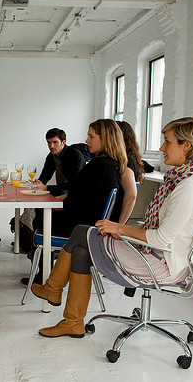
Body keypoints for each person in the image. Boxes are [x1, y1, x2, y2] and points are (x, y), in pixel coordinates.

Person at [31, 117, 193, 338]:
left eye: (167, 141)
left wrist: (120, 229)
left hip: (161, 264)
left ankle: (53, 289)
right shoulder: (186, 179)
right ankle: (72, 320)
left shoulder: (189, 188)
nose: (161, 148)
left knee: (80, 232)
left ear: (187, 146)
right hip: (159, 254)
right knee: (80, 249)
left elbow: (161, 239)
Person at [21, 119, 128, 285]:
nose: (86, 141)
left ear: (105, 138)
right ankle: (47, 272)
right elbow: (82, 194)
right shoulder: (113, 165)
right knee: (44, 210)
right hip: (94, 224)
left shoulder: (97, 165)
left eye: (91, 136)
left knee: (42, 214)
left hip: (81, 226)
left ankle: (43, 271)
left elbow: (74, 201)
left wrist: (55, 205)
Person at [32, 128, 86, 196]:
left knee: (51, 194)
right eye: (49, 142)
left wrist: (47, 188)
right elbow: (45, 176)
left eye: (55, 142)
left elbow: (75, 183)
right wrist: (38, 183)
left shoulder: (75, 155)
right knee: (37, 194)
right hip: (61, 189)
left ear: (63, 142)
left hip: (76, 191)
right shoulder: (51, 155)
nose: (51, 146)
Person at [116, 121, 144, 224]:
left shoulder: (126, 162)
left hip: (114, 221)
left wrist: (120, 226)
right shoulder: (130, 160)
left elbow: (131, 195)